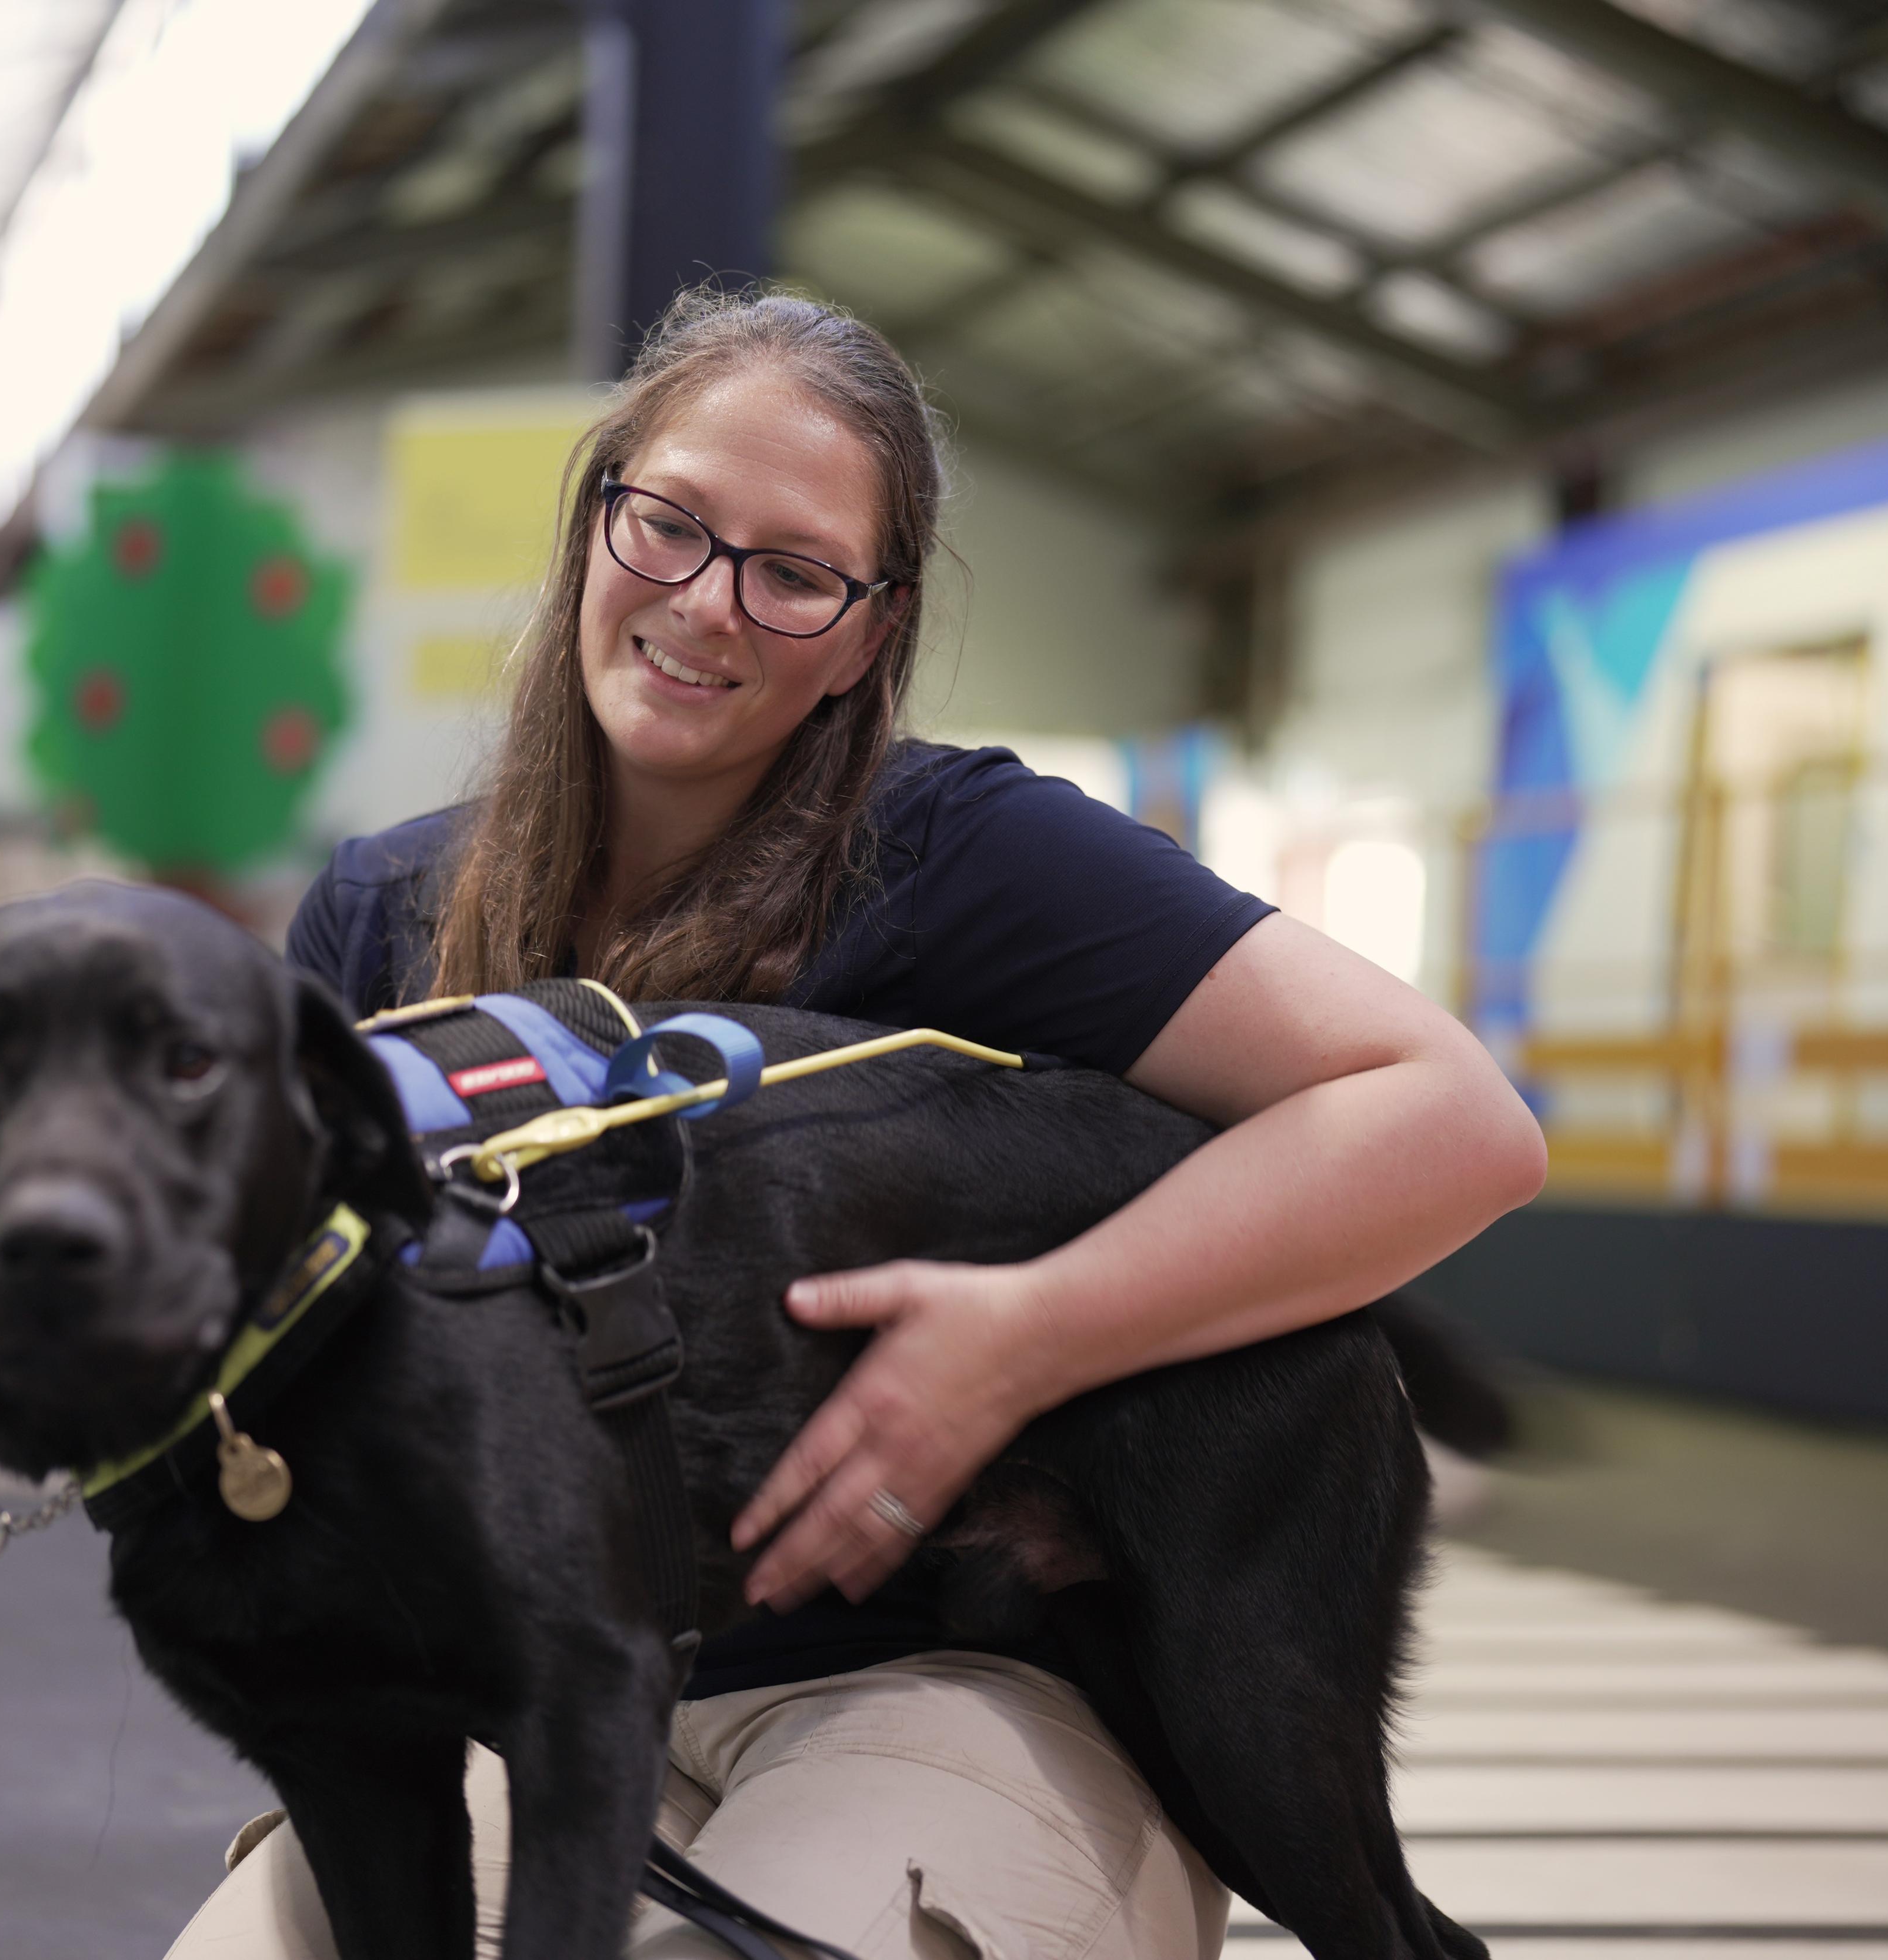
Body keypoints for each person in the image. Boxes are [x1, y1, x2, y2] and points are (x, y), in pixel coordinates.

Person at [168, 288, 1545, 1960]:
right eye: (669, 524)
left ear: (873, 629)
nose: (706, 605)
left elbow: (1460, 1122)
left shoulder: (967, 856)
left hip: (954, 1682)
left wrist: (1023, 1341)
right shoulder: (386, 914)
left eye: (794, 571)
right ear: (597, 514)